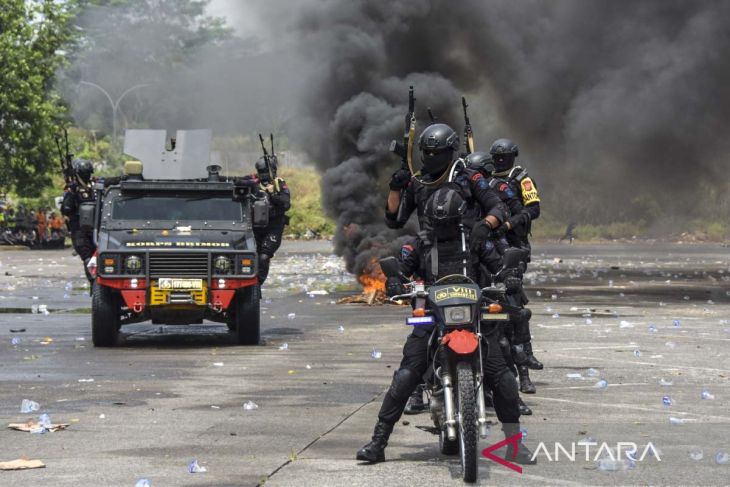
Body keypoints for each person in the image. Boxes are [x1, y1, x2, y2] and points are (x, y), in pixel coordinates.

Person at [357, 187, 535, 466]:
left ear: (459, 218)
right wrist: (396, 280)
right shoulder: (420, 243)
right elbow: (402, 267)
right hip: (432, 314)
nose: (441, 227)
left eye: (447, 223)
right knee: (406, 375)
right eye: (436, 223)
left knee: (503, 378)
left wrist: (508, 276)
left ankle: (515, 444)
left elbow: (499, 265)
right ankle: (378, 442)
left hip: (474, 316)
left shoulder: (476, 239)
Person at [468, 142, 543, 394]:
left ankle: (524, 367)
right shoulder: (475, 186)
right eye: (496, 157)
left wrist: (507, 227)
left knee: (513, 307)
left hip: (510, 248)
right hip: (485, 248)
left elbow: (531, 210)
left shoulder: (516, 180)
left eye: (505, 157)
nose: (501, 161)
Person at [252, 155, 290, 287]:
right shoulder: (254, 183)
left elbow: (286, 204)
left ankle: (257, 286)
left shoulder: (279, 184)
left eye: (265, 172)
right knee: (252, 257)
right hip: (255, 226)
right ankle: (251, 285)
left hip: (274, 226)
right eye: (260, 172)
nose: (263, 175)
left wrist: (273, 194)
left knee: (264, 257)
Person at [61, 159, 97, 284]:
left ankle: (98, 285)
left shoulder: (95, 185)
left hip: (93, 229)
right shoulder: (74, 189)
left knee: (94, 257)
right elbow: (66, 209)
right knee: (88, 257)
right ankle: (95, 284)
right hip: (82, 229)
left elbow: (65, 209)